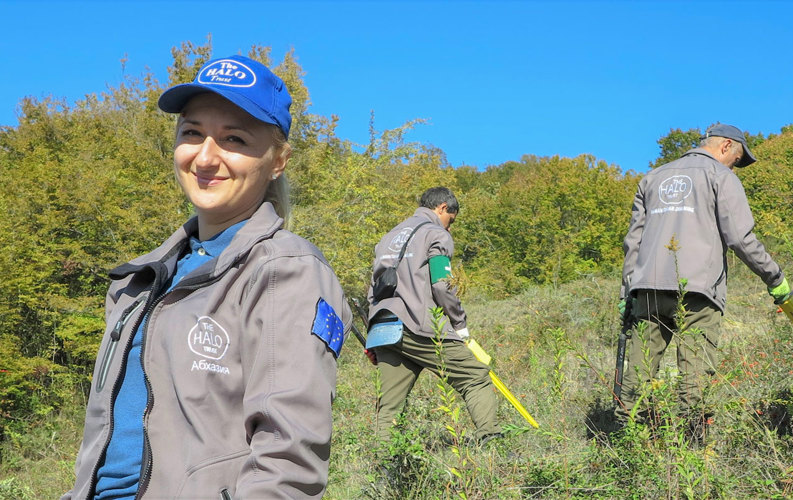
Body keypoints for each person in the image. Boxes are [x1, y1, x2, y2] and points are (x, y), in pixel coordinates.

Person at [63, 55, 351, 499]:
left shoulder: (284, 271)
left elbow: (288, 461)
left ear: (278, 160)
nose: (205, 156)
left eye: (233, 138)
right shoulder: (136, 283)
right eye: (192, 132)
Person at [617, 123, 790, 440]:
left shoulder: (652, 178)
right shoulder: (722, 177)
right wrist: (774, 276)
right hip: (697, 292)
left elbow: (633, 243)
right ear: (726, 147)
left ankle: (628, 444)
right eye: (737, 159)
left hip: (647, 290)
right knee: (695, 374)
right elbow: (740, 238)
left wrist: (628, 289)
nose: (734, 166)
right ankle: (692, 446)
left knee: (638, 372)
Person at [365, 187, 502, 444]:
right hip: (419, 325)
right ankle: (491, 446)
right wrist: (459, 324)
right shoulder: (435, 234)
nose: (450, 228)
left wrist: (374, 336)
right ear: (442, 208)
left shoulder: (388, 237)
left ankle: (385, 469)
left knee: (390, 408)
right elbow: (442, 284)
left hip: (383, 328)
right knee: (476, 378)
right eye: (451, 220)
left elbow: (373, 288)